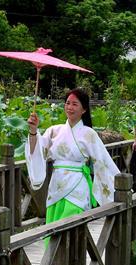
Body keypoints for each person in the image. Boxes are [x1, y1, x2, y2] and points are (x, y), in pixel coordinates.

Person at [25, 87, 120, 236]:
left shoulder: (89, 133)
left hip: (78, 185)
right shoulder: (53, 131)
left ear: (84, 110)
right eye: (67, 103)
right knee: (54, 229)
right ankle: (54, 259)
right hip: (56, 185)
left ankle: (73, 258)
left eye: (75, 104)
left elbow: (103, 162)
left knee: (73, 222)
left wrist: (118, 187)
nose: (70, 107)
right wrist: (33, 131)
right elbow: (36, 151)